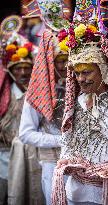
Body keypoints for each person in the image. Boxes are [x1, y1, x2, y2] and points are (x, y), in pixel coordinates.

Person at [51, 4, 108, 205]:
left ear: (104, 70)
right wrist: (66, 159)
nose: (80, 78)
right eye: (77, 73)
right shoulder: (76, 103)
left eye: (87, 72)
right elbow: (67, 142)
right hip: (76, 195)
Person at [19, 28, 68, 204]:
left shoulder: (82, 86)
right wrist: (60, 140)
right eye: (58, 61)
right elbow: (25, 133)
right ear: (49, 61)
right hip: (52, 165)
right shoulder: (38, 92)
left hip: (82, 165)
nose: (63, 66)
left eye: (66, 60)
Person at [0, 30, 38, 204]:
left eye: (27, 68)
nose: (23, 72)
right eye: (18, 68)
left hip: (31, 160)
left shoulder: (37, 96)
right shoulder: (3, 96)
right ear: (11, 71)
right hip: (3, 159)